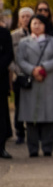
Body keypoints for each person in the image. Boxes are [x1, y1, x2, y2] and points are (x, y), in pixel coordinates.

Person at [17, 14, 53, 157]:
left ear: (45, 26)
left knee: (48, 116)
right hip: (32, 81)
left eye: (40, 23)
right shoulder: (24, 42)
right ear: (30, 25)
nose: (37, 26)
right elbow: (20, 60)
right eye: (34, 23)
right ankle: (33, 148)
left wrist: (43, 68)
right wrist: (33, 70)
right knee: (31, 117)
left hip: (47, 81)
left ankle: (48, 147)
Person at [10, 7, 33, 145]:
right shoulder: (13, 36)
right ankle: (19, 133)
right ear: (19, 19)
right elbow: (9, 57)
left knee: (32, 105)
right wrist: (16, 71)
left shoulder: (36, 34)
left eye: (28, 16)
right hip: (18, 75)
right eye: (23, 16)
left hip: (33, 75)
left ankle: (33, 132)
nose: (26, 19)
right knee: (19, 105)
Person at [0, 23, 12, 158]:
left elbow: (9, 54)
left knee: (1, 115)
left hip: (0, 79)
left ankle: (1, 147)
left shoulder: (4, 33)